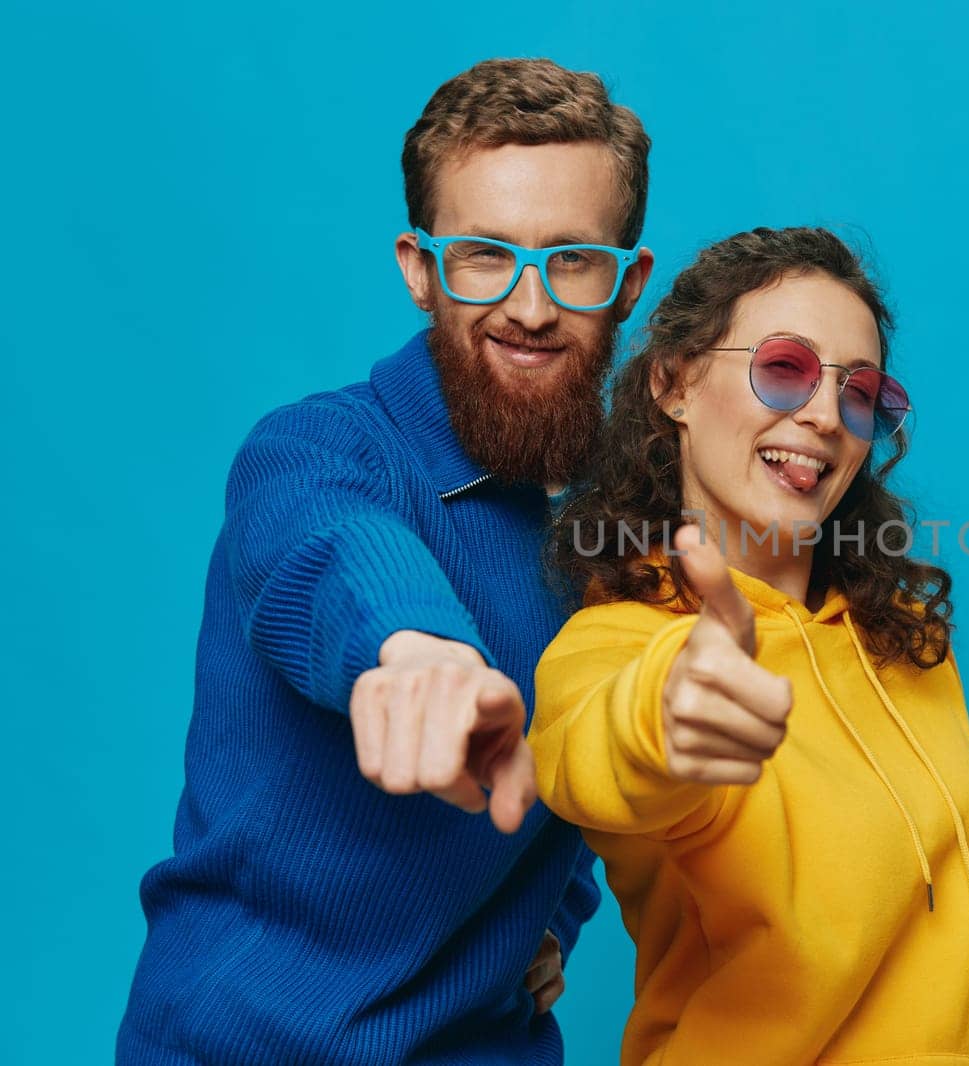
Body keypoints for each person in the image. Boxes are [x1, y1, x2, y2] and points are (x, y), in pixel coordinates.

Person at [119, 58, 655, 1065]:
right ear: (418, 268)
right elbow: (326, 547)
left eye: (571, 260)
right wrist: (416, 651)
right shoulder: (316, 450)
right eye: (484, 256)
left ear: (625, 280)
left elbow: (582, 771)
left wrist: (553, 917)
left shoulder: (615, 530)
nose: (529, 307)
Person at [531, 227, 969, 1063]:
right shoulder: (620, 643)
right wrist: (671, 709)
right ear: (674, 382)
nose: (823, 416)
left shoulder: (904, 647)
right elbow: (593, 756)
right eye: (784, 368)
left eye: (859, 393)